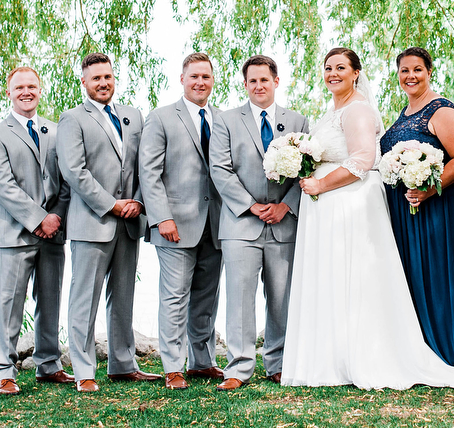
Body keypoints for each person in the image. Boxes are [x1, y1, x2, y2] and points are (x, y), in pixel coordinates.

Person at [284, 48, 454, 391]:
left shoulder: (359, 109)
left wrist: (319, 184)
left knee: (366, 279)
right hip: (388, 206)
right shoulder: (351, 111)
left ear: (356, 72)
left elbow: (362, 160)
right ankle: (338, 354)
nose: (333, 73)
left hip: (365, 204)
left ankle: (394, 354)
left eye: (341, 67)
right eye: (328, 68)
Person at [57, 53, 160, 393]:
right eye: (96, 78)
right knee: (84, 297)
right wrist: (111, 204)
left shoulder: (133, 116)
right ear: (84, 83)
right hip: (93, 220)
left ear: (114, 79)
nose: (103, 83)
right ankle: (84, 371)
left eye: (108, 77)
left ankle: (122, 364)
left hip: (129, 221)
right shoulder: (72, 119)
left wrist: (139, 203)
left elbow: (146, 165)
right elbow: (74, 171)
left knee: (124, 295)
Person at [208, 55, 308, 391]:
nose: (259, 86)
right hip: (240, 224)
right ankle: (238, 367)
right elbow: (220, 169)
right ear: (245, 84)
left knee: (281, 298)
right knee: (239, 298)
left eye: (264, 80)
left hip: (283, 223)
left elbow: (307, 171)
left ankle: (278, 363)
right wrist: (251, 206)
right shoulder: (225, 120)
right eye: (252, 81)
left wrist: (285, 206)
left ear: (276, 81)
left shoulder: (297, 121)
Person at [379, 47, 454, 375]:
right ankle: (420, 352)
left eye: (417, 70)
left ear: (429, 72)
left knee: (440, 274)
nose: (411, 76)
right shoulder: (405, 112)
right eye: (404, 70)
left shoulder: (441, 110)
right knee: (415, 278)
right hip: (407, 210)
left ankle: (451, 352)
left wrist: (430, 188)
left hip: (439, 206)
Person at [0, 66, 73, 396]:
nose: (26, 92)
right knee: (9, 305)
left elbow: (66, 181)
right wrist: (38, 219)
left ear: (40, 89)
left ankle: (48, 364)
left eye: (32, 86)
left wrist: (57, 217)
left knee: (50, 300)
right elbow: (3, 186)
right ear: (9, 92)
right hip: (14, 233)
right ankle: (4, 370)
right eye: (19, 87)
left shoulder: (56, 130)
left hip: (53, 232)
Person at [138, 52, 225, 391]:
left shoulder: (223, 118)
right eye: (194, 77)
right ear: (182, 79)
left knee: (207, 296)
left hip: (216, 224)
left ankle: (203, 362)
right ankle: (173, 366)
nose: (200, 82)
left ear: (212, 80)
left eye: (205, 76)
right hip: (174, 224)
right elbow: (149, 172)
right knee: (175, 297)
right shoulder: (161, 118)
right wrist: (162, 218)